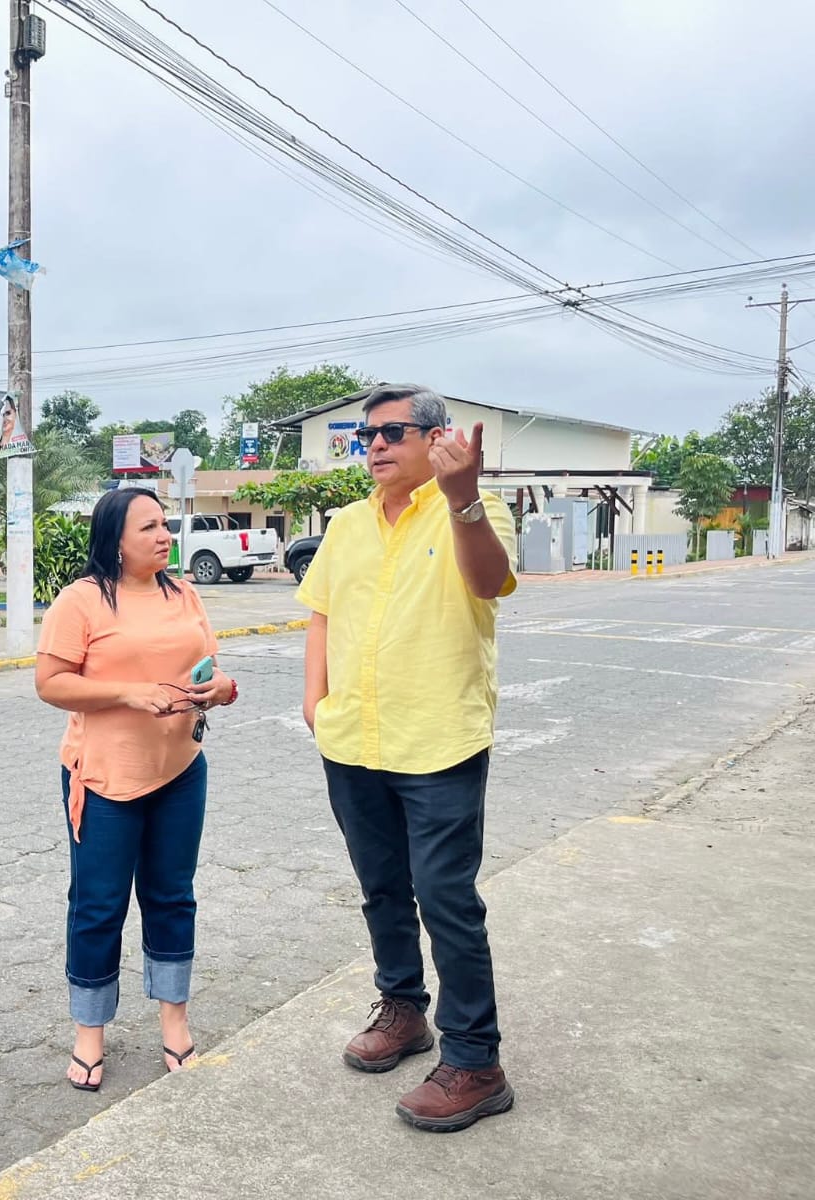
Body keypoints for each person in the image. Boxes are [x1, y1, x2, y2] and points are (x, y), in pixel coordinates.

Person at [296, 383, 518, 1133]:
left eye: (393, 432)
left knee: (446, 899)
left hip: (438, 741)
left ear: (435, 438)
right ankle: (403, 1010)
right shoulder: (348, 525)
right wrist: (315, 702)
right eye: (368, 436)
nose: (376, 446)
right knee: (382, 888)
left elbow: (488, 583)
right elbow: (322, 613)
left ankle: (476, 1062)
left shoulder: (478, 508)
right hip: (354, 740)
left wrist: (463, 500)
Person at [34, 487, 237, 1091]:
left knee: (172, 896)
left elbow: (212, 666)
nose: (163, 535)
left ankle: (174, 1021)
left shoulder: (184, 593)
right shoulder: (82, 600)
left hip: (180, 770)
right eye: (148, 527)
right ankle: (89, 1032)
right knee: (98, 905)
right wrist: (128, 693)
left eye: (164, 525)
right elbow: (50, 682)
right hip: (105, 779)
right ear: (115, 540)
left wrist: (221, 688)